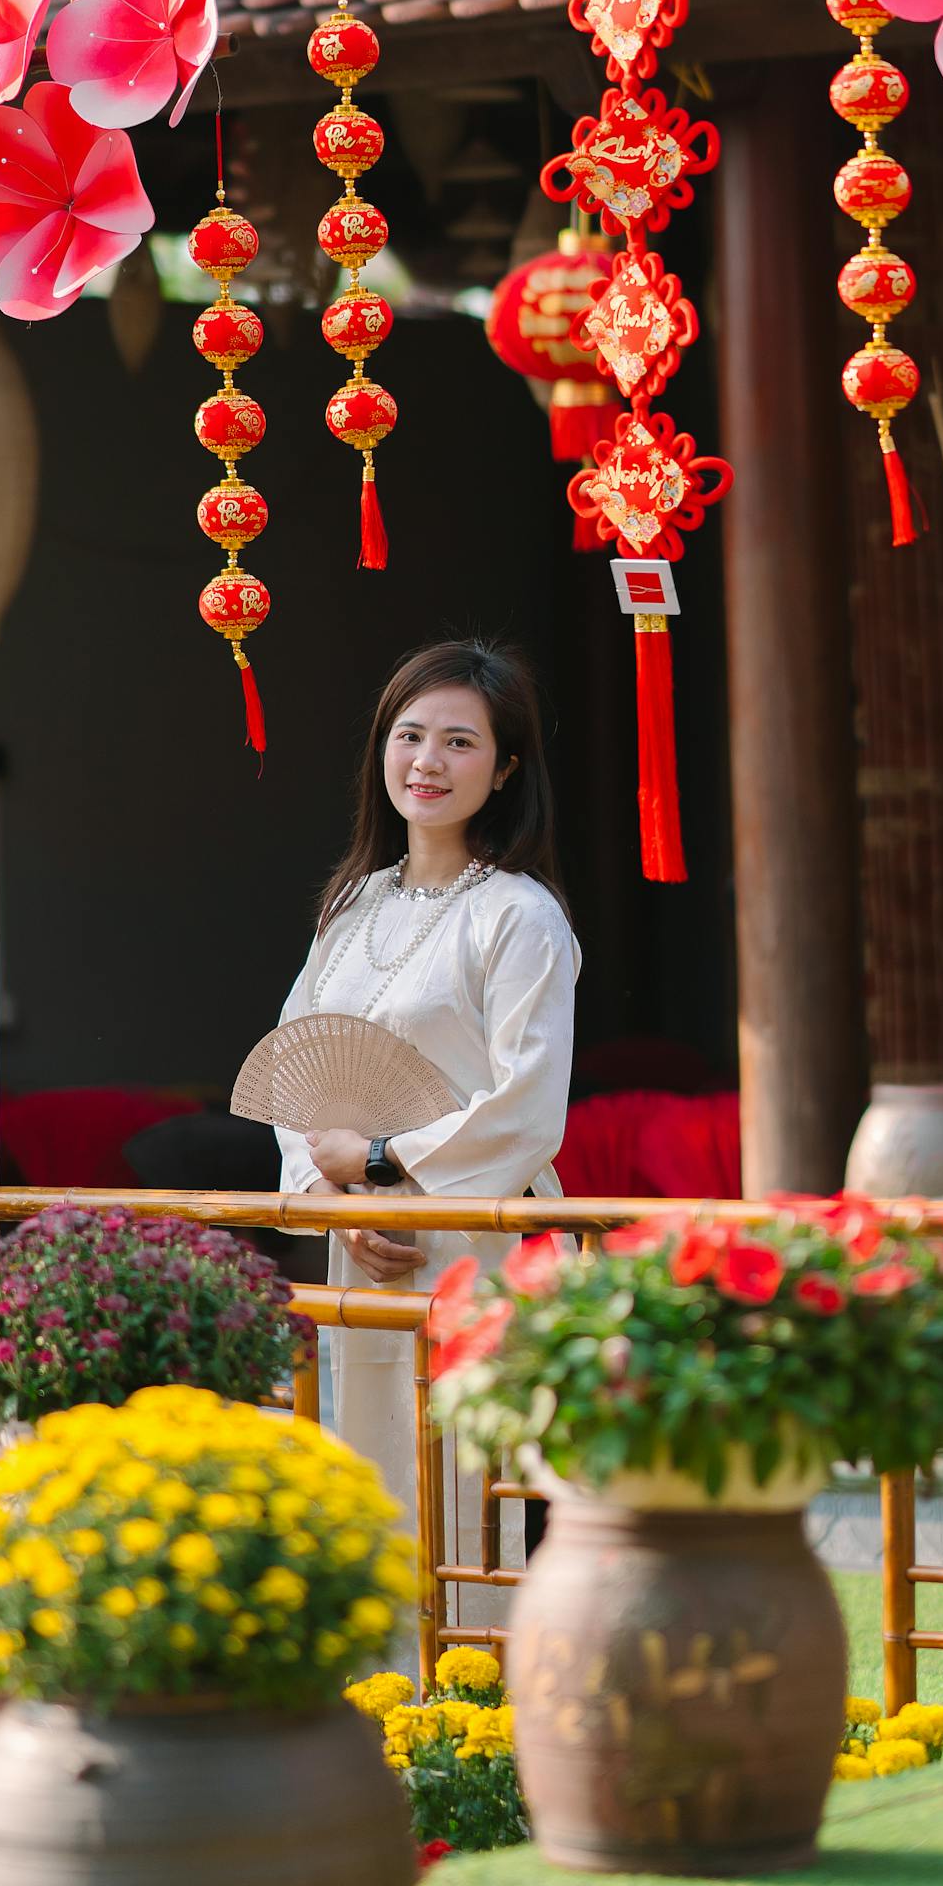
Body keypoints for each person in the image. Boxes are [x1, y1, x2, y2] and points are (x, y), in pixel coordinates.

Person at [274, 638, 579, 1587]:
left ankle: (477, 1704)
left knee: (470, 1480)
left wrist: (378, 1165)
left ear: (505, 768)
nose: (427, 763)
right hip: (362, 1241)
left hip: (473, 1238)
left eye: (459, 742)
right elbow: (292, 1071)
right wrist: (335, 1196)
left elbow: (526, 1105)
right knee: (374, 1468)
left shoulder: (521, 917)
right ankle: (382, 1702)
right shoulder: (352, 907)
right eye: (409, 736)